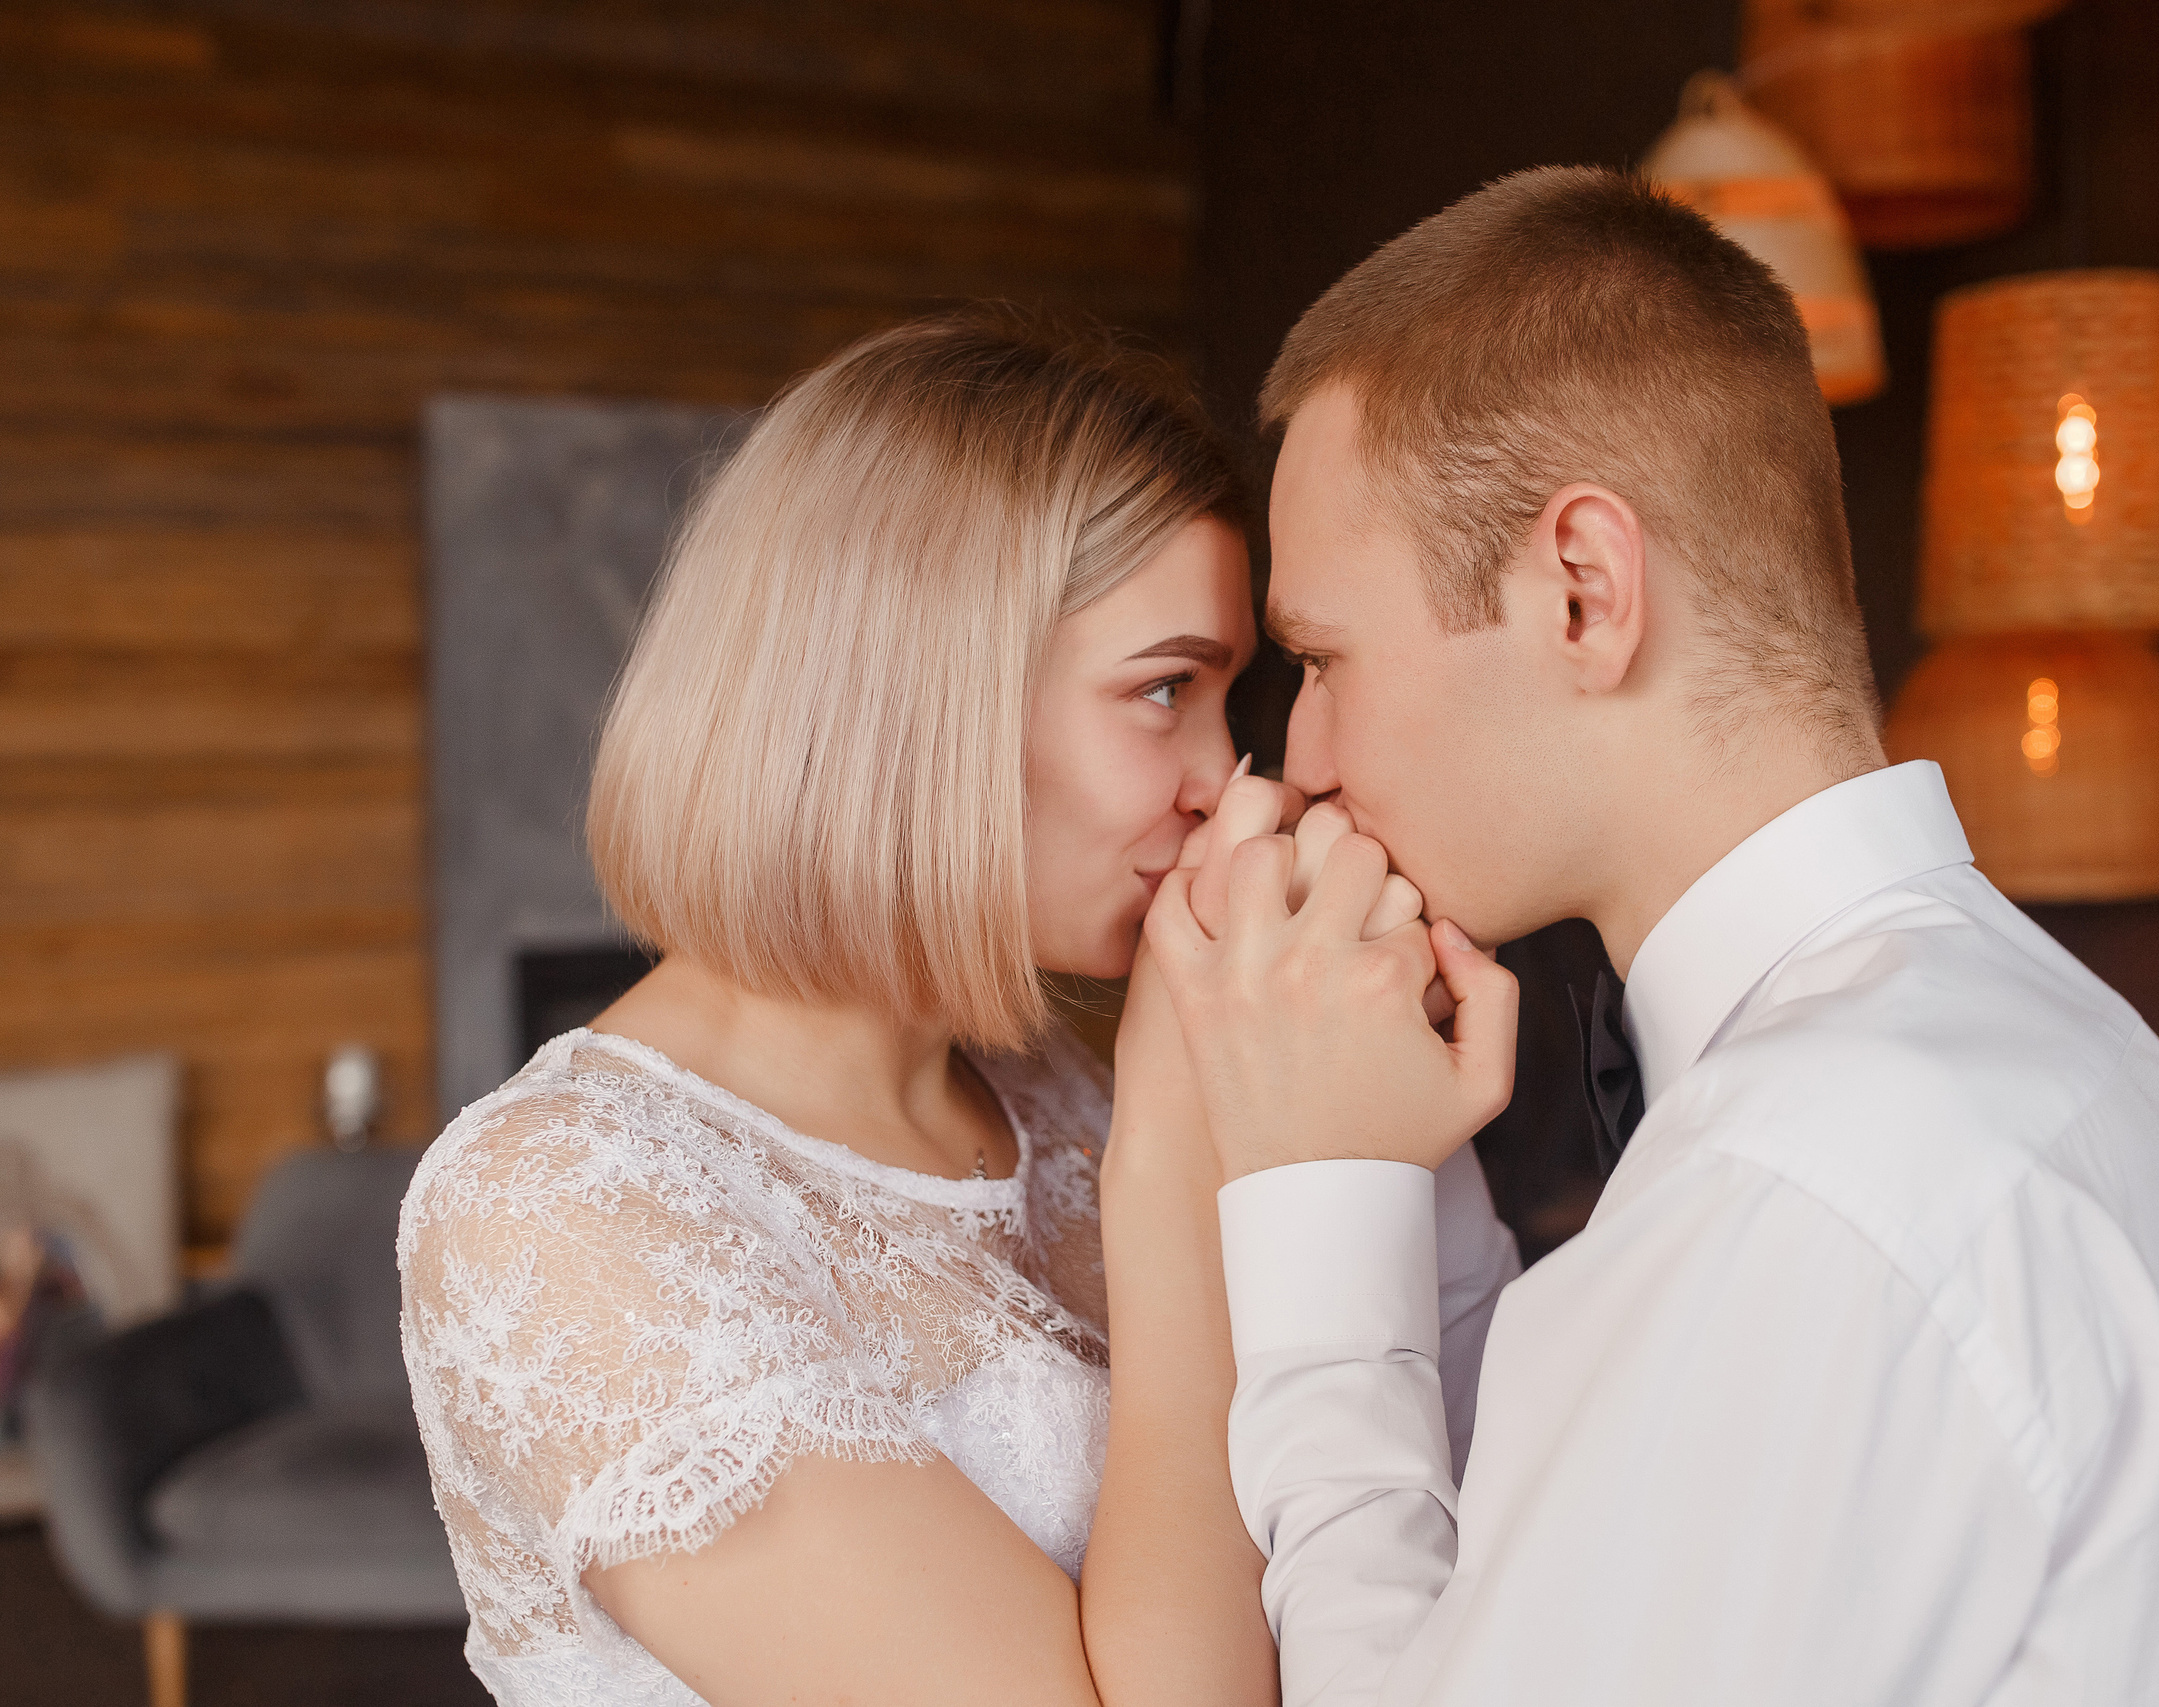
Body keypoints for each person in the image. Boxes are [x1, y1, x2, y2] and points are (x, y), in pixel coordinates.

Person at [1136, 167, 2159, 1704]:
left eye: (1324, 657)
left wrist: (1317, 1212)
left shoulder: (1809, 1174)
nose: (1310, 756)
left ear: (1585, 593)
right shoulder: (2034, 1046)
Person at [396, 315, 1519, 1707]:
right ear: (922, 697)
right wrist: (1170, 1147)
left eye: (1230, 700)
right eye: (1163, 689)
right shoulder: (555, 1207)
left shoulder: (1064, 1083)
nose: (1223, 781)